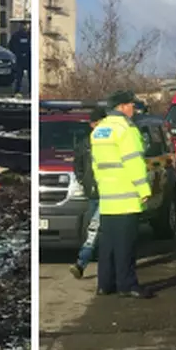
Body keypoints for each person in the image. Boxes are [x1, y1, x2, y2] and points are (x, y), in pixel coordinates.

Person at [90, 91, 153, 299]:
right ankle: (127, 285)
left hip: (108, 197)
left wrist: (103, 188)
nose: (134, 110)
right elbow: (133, 162)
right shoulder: (126, 129)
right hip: (127, 197)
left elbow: (96, 165)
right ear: (123, 107)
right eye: (132, 106)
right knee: (126, 244)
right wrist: (144, 190)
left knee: (107, 244)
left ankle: (105, 284)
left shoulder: (100, 130)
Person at [70, 107, 109, 279]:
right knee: (95, 228)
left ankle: (82, 262)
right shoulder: (85, 144)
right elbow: (78, 165)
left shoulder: (109, 141)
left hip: (109, 191)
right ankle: (90, 262)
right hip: (94, 191)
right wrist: (84, 182)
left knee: (96, 228)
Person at [8, 23, 31, 94]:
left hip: (30, 59)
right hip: (19, 59)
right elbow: (10, 45)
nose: (25, 27)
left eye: (26, 25)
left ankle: (31, 91)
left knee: (32, 76)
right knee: (19, 76)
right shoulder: (16, 35)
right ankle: (17, 91)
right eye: (23, 25)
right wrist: (16, 53)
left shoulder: (32, 35)